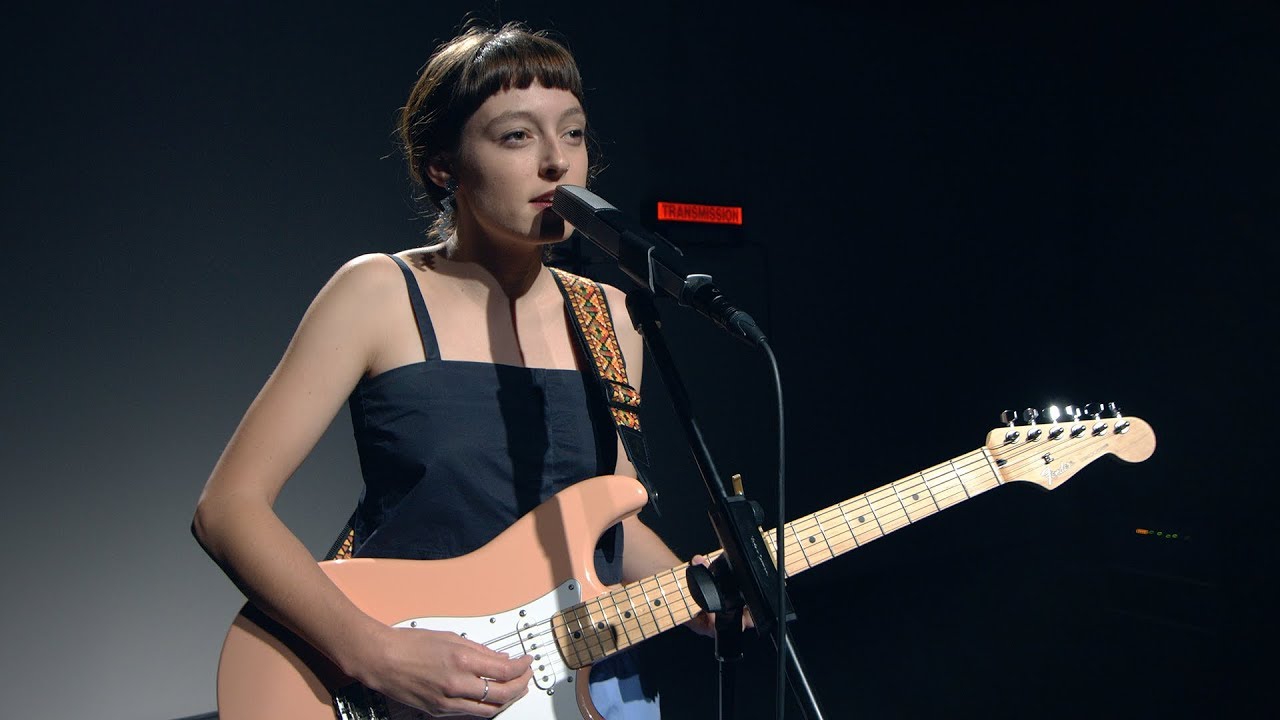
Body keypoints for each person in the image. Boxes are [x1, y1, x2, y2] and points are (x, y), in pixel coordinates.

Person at [193, 19, 705, 719]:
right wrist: (372, 652)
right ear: (443, 164)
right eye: (517, 136)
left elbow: (605, 524)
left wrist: (696, 589)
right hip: (412, 691)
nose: (557, 162)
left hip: (586, 687)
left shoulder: (610, 316)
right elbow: (228, 510)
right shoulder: (377, 293)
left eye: (575, 133)